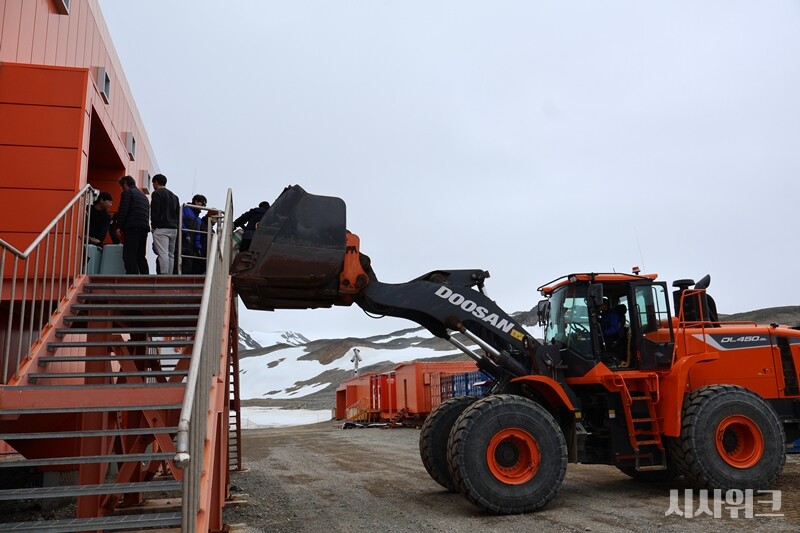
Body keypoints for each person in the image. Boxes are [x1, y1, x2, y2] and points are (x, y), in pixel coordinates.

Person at [114, 175, 150, 274]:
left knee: (129, 255)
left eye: (121, 186)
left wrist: (118, 226)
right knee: (140, 256)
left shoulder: (127, 193)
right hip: (143, 228)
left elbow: (123, 210)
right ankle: (146, 279)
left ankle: (131, 278)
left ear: (125, 184)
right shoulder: (143, 196)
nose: (121, 189)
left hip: (132, 227)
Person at [150, 174, 180, 275]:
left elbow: (155, 211)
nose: (153, 185)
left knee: (163, 253)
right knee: (171, 254)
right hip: (173, 228)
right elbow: (177, 213)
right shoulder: (175, 196)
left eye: (153, 183)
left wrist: (153, 226)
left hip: (161, 227)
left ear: (156, 182)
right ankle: (170, 275)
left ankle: (164, 275)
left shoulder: (156, 194)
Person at [181, 194, 206, 274]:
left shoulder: (198, 219)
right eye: (202, 203)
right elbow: (180, 221)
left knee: (188, 264)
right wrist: (185, 233)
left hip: (190, 244)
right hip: (181, 240)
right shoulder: (186, 209)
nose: (203, 206)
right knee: (178, 260)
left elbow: (197, 234)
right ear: (196, 202)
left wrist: (198, 247)